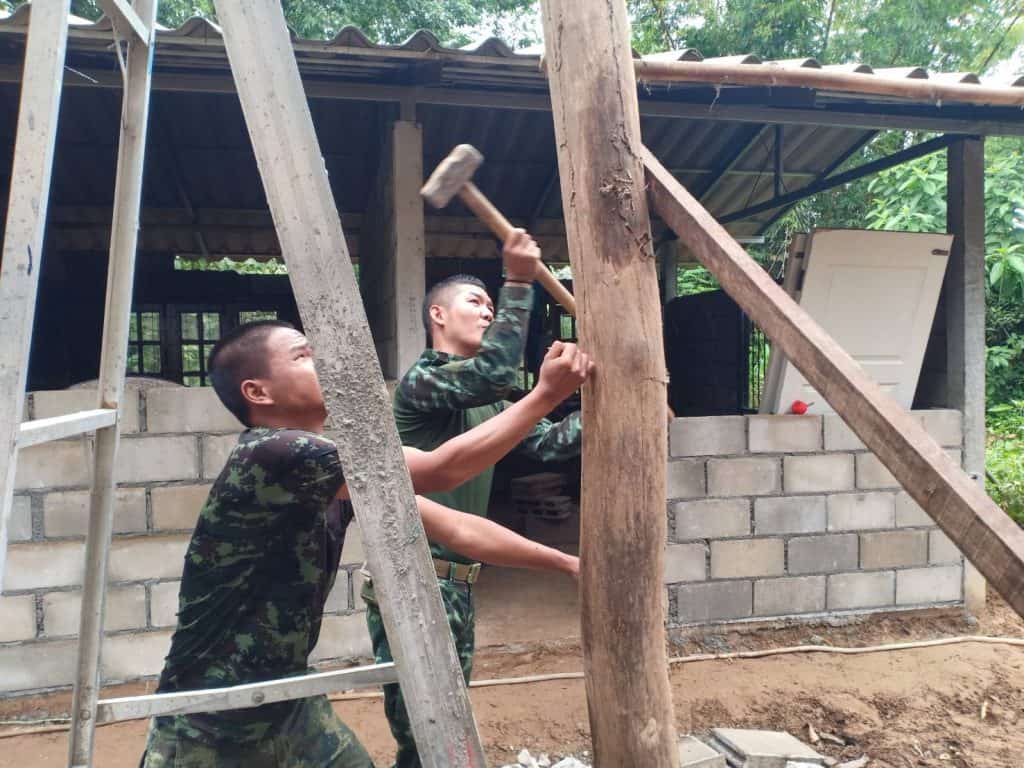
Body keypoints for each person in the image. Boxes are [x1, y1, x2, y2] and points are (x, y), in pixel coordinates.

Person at [139, 319, 593, 768]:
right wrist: (545, 396)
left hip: (289, 699)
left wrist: (569, 564)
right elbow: (442, 469)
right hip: (208, 717)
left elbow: (458, 528)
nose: (324, 363)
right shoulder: (273, 452)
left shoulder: (331, 469)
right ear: (259, 392)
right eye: (303, 355)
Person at [364, 229, 583, 768]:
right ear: (438, 315)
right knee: (426, 729)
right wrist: (516, 280)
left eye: (491, 305)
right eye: (475, 302)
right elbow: (494, 374)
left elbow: (551, 444)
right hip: (415, 575)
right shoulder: (423, 382)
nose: (487, 313)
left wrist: (613, 396)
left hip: (458, 580)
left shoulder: (491, 403)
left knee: (447, 718)